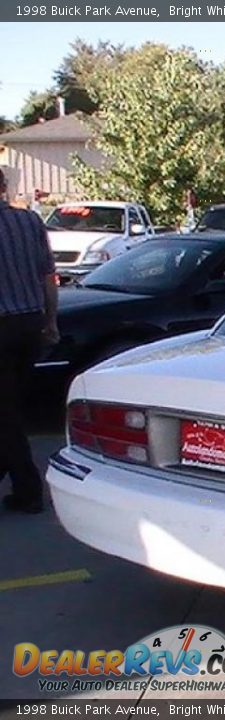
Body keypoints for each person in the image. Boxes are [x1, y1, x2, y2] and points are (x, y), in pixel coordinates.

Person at [0, 167, 59, 514]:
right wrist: (51, 321)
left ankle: (29, 489)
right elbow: (47, 276)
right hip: (29, 324)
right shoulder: (30, 222)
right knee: (9, 407)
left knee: (5, 413)